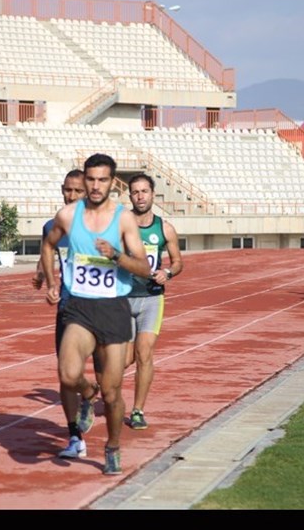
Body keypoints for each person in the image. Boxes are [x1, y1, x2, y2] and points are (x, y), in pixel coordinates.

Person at [41, 153, 150, 475]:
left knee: (114, 391)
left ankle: (112, 446)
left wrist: (116, 255)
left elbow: (143, 268)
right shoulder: (67, 215)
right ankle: (88, 394)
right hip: (80, 306)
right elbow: (48, 246)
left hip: (114, 308)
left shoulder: (124, 219)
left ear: (112, 183)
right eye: (90, 179)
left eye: (102, 180)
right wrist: (51, 281)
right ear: (84, 180)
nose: (95, 186)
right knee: (68, 374)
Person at [32, 169, 99, 458]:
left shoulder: (103, 224)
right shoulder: (52, 226)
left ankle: (94, 394)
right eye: (67, 190)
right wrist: (46, 281)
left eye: (77, 191)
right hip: (69, 308)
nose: (71, 196)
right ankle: (75, 436)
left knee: (110, 379)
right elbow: (48, 252)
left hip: (103, 307)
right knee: (66, 374)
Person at [124, 173, 183, 430]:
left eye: (144, 191)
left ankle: (137, 410)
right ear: (130, 196)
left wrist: (167, 272)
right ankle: (95, 387)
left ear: (152, 194)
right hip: (123, 298)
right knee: (123, 359)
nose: (140, 196)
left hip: (151, 298)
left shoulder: (165, 228)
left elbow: (178, 261)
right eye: (135, 192)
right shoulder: (121, 225)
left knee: (144, 353)